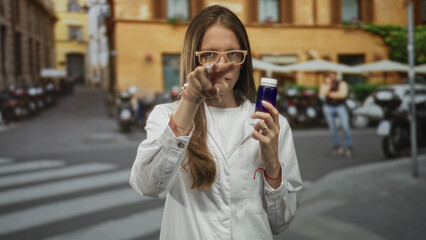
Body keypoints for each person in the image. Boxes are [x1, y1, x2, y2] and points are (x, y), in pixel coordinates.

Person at [129, 5, 302, 239]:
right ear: (194, 58)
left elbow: (281, 222)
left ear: (243, 60)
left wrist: (272, 165)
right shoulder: (166, 116)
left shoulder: (272, 124)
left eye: (232, 54)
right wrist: (190, 100)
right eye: (209, 54)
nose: (221, 65)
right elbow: (148, 185)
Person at [319, 71, 354, 157]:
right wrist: (329, 86)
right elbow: (322, 94)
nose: (332, 78)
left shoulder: (342, 83)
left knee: (345, 126)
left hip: (340, 106)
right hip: (328, 107)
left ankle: (349, 146)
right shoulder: (326, 84)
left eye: (333, 76)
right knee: (332, 128)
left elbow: (343, 95)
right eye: (330, 76)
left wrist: (330, 94)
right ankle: (336, 146)